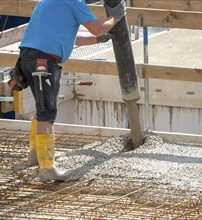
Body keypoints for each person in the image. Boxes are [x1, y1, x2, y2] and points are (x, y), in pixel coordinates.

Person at [18, 0, 126, 182]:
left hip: (27, 59)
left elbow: (67, 37)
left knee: (41, 106)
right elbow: (97, 28)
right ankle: (47, 169)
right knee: (47, 114)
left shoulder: (47, 2)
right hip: (44, 62)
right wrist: (116, 16)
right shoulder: (74, 2)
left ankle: (35, 156)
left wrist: (96, 41)